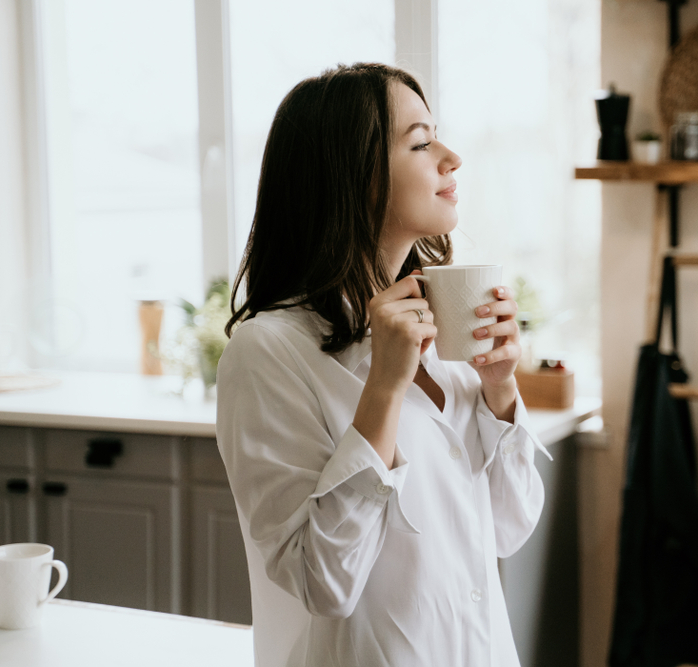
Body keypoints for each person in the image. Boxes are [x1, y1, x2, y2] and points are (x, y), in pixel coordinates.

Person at [215, 63, 551, 667]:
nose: (451, 157)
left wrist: (499, 391)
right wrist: (385, 388)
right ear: (352, 176)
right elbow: (325, 582)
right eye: (421, 143)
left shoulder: (444, 322)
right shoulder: (267, 351)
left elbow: (509, 528)